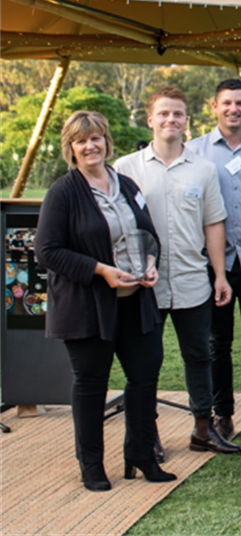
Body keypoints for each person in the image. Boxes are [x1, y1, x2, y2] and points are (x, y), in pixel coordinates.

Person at [38, 111, 174, 490]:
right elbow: (47, 251)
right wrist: (100, 270)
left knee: (145, 379)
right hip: (88, 307)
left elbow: (148, 235)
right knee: (91, 384)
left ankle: (142, 456)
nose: (90, 145)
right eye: (81, 140)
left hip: (136, 302)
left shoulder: (127, 184)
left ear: (106, 141)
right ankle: (92, 466)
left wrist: (150, 263)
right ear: (71, 147)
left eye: (96, 137)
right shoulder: (63, 192)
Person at [115, 87, 241, 456]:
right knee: (145, 362)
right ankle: (146, 435)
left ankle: (203, 430)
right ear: (151, 118)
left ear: (188, 121)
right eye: (164, 114)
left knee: (199, 356)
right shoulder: (126, 168)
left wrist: (220, 275)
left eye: (178, 115)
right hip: (143, 285)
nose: (171, 120)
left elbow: (213, 224)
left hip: (191, 280)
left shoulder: (203, 170)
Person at [187, 78, 241, 444]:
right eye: (226, 103)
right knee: (216, 343)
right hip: (214, 265)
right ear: (215, 106)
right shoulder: (195, 151)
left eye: (240, 103)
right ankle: (222, 416)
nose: (233, 109)